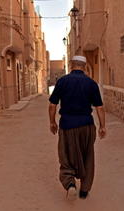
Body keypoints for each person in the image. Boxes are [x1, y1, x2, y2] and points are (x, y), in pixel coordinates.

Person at [48, 55, 106, 201]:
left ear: (72, 65)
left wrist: (52, 122)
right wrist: (102, 126)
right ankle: (84, 190)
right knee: (88, 156)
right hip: (87, 125)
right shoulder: (92, 84)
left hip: (67, 125)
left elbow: (52, 105)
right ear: (85, 67)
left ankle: (70, 184)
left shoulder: (62, 81)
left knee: (65, 156)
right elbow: (99, 107)